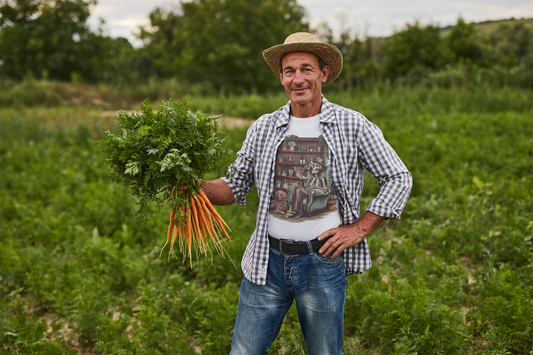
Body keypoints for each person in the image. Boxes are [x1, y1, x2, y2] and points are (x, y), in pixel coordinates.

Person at [195, 32, 413, 355]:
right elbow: (234, 185)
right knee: (243, 351)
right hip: (265, 263)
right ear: (281, 78)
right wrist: (193, 184)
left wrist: (359, 229)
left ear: (323, 74)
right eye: (289, 71)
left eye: (306, 69)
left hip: (322, 263)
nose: (298, 79)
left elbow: (398, 177)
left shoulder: (353, 125)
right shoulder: (263, 128)